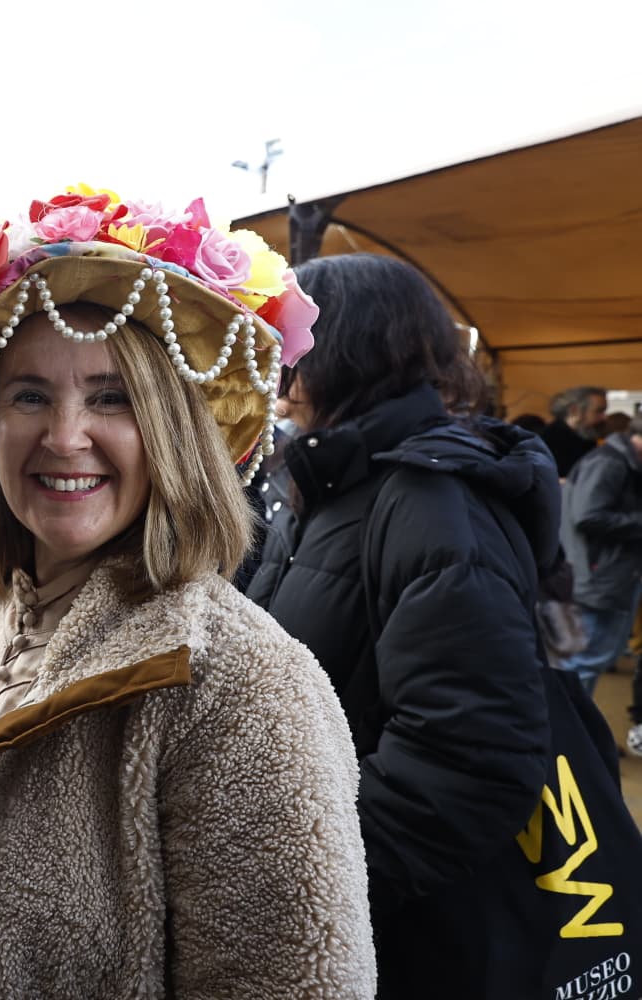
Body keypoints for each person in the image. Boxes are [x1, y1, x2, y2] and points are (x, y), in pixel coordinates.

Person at [0, 188, 374, 997]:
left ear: (172, 432)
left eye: (112, 398)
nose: (64, 436)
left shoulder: (245, 690)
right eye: (29, 395)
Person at [247, 253, 555, 997]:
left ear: (344, 349)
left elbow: (470, 760)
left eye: (287, 345)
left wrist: (292, 876)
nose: (275, 371)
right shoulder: (328, 482)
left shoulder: (426, 503)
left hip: (382, 928)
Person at [556, 413, 642, 695]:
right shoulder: (609, 463)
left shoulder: (621, 462)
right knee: (584, 663)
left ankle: (576, 735)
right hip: (596, 578)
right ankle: (569, 736)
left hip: (607, 576)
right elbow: (588, 516)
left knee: (591, 661)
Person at [541, 384, 606, 477]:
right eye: (599, 411)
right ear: (574, 411)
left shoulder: (587, 436)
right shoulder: (546, 441)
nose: (604, 418)